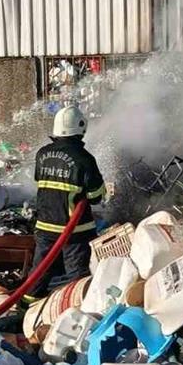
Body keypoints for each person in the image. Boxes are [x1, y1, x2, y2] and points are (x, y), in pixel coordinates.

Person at [33, 104, 106, 289]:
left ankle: (24, 308)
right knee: (77, 278)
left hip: (44, 226)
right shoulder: (84, 158)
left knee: (38, 274)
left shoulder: (42, 154)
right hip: (74, 230)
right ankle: (72, 310)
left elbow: (40, 182)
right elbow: (96, 196)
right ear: (80, 127)